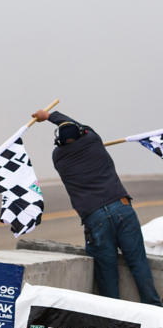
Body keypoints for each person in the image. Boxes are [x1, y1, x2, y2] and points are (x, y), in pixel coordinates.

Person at [33, 109, 162, 306]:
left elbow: (76, 133)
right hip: (122, 209)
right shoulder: (93, 141)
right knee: (138, 263)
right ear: (82, 134)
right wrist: (49, 115)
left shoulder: (58, 158)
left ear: (58, 143)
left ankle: (112, 318)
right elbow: (79, 126)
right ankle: (155, 311)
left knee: (106, 273)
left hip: (95, 219)